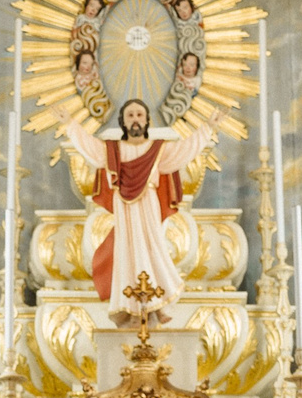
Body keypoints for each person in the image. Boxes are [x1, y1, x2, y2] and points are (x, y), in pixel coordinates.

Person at [60, 95, 214, 305]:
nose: (135, 119)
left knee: (153, 246)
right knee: (125, 251)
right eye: (130, 115)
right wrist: (70, 124)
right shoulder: (112, 150)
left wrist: (207, 129)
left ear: (147, 121)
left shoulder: (158, 149)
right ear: (123, 122)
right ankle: (126, 305)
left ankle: (158, 302)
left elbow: (184, 150)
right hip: (123, 206)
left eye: (139, 115)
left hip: (149, 204)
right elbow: (91, 148)